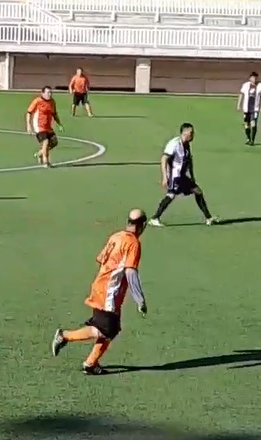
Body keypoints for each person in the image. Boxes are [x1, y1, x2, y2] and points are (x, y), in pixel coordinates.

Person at [51, 209, 149, 375]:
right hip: (109, 293)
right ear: (143, 225)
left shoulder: (116, 236)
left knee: (112, 329)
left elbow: (101, 258)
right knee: (104, 329)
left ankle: (91, 364)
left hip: (103, 287)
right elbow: (130, 271)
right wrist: (139, 299)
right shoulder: (133, 243)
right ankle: (64, 335)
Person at [148, 123, 217, 227]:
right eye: (191, 133)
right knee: (177, 194)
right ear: (185, 133)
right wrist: (164, 177)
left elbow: (189, 161)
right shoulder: (174, 144)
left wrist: (192, 176)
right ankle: (155, 218)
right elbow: (164, 159)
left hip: (182, 176)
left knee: (190, 192)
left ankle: (208, 218)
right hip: (175, 176)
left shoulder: (186, 144)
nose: (193, 135)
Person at [26, 86, 63, 167]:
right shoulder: (37, 101)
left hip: (48, 126)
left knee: (54, 142)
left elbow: (54, 114)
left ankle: (40, 153)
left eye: (51, 92)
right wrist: (28, 125)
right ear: (42, 93)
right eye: (48, 92)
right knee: (45, 142)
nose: (50, 94)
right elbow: (29, 112)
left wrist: (59, 124)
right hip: (39, 126)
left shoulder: (52, 102)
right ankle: (46, 162)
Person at [237, 72, 261, 146]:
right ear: (250, 78)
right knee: (246, 124)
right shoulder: (245, 85)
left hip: (255, 109)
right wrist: (238, 105)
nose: (254, 79)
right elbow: (241, 95)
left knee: (253, 124)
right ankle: (248, 138)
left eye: (256, 78)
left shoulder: (260, 86)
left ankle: (252, 140)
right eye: (253, 78)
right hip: (246, 108)